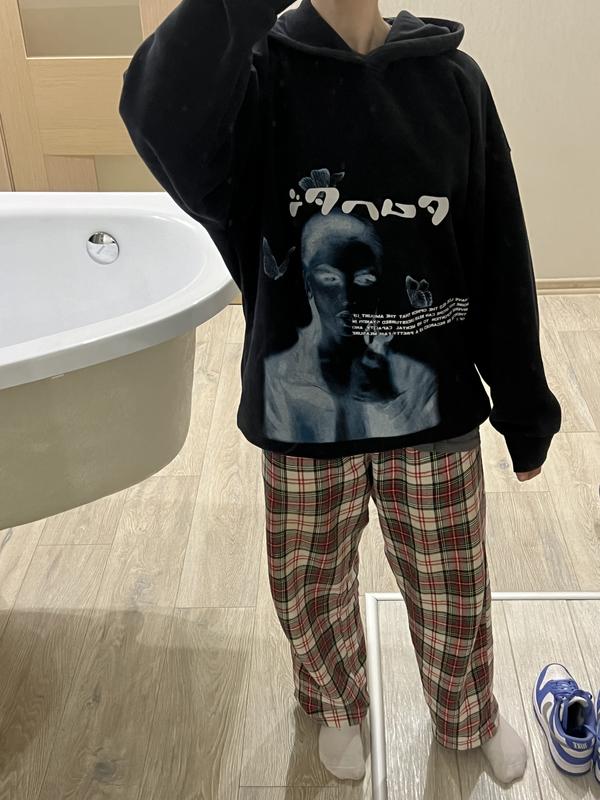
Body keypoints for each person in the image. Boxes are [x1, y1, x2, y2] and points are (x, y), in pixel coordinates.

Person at [119, 0, 562, 785]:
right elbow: (157, 113)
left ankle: (466, 711)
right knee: (308, 585)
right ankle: (336, 703)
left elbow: (497, 248)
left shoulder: (452, 82)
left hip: (433, 408)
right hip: (301, 421)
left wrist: (525, 407)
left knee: (454, 585)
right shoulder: (256, 84)